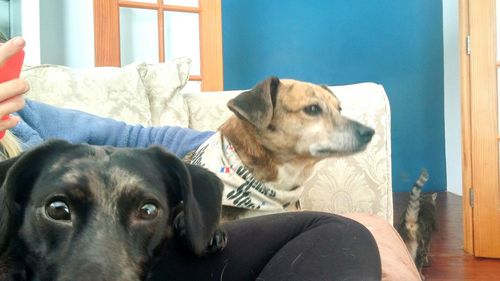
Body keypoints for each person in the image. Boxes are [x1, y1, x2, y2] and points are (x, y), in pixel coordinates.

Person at [0, 37, 382, 280]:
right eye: (314, 111)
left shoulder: (27, 115)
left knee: (357, 230)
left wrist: (235, 148)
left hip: (153, 255)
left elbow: (135, 138)